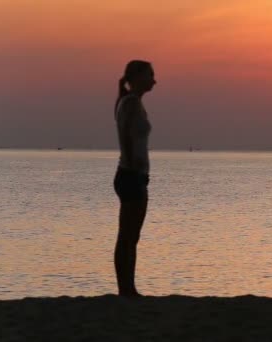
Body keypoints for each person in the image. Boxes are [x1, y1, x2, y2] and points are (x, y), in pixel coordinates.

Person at [113, 60, 156, 297]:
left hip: (135, 175)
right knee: (127, 236)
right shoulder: (130, 104)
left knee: (131, 236)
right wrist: (133, 168)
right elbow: (127, 137)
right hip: (130, 176)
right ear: (138, 76)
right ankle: (126, 289)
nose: (154, 80)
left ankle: (128, 287)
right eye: (150, 75)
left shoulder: (131, 102)